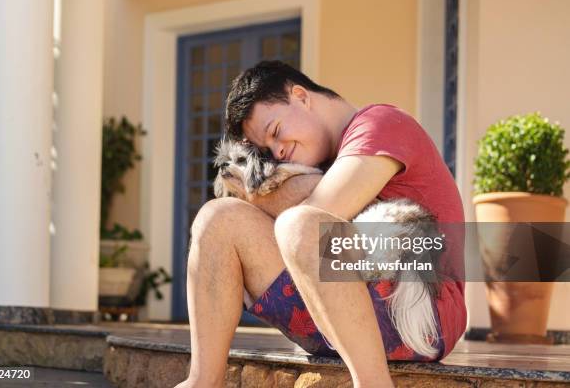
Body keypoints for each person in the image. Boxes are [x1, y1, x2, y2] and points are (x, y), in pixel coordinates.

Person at [176, 61, 466, 388]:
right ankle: (203, 381)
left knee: (301, 226)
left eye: (275, 132)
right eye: (267, 150)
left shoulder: (381, 123)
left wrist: (254, 193)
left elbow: (325, 213)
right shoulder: (320, 161)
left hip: (422, 316)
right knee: (216, 218)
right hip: (336, 318)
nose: (278, 151)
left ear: (300, 96)